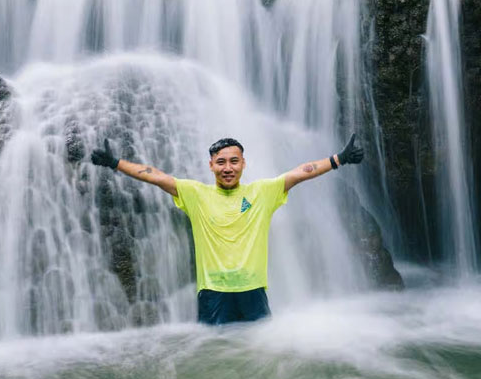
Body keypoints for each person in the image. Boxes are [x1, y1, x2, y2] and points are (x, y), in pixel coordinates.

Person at [90, 134, 364, 325]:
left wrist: (339, 158)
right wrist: (116, 163)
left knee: (257, 359)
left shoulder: (263, 192)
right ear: (211, 166)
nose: (228, 168)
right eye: (221, 162)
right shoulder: (195, 194)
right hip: (213, 295)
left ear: (244, 164)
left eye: (234, 161)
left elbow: (301, 172)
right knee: (217, 362)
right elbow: (155, 175)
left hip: (253, 292)